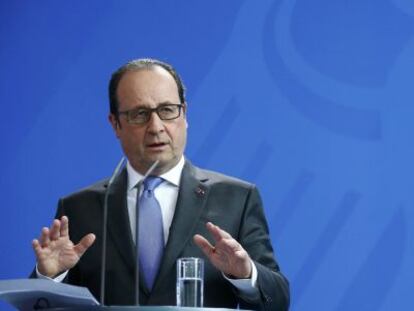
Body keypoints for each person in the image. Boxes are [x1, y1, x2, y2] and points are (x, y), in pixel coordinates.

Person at [31, 58, 290, 310]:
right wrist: (50, 277)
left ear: (184, 114)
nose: (156, 127)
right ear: (115, 124)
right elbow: (39, 305)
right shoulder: (79, 208)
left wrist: (246, 275)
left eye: (167, 110)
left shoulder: (237, 198)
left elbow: (278, 301)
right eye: (139, 114)